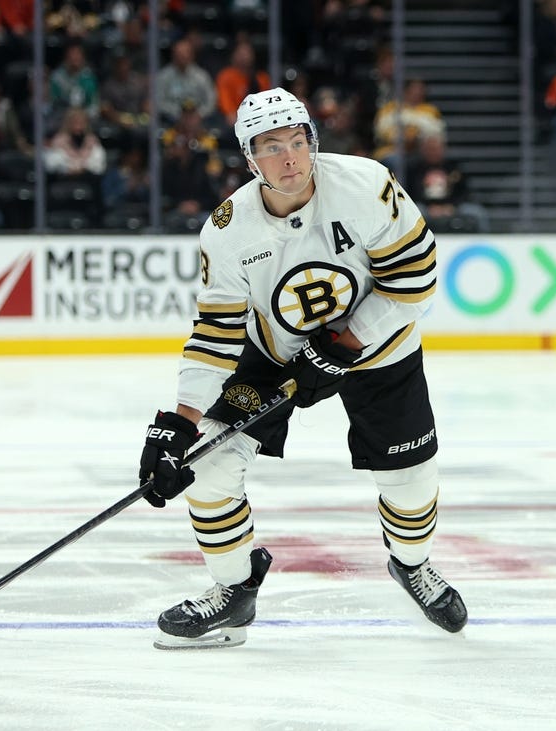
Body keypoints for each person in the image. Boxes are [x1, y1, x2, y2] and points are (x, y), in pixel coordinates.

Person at [137, 88, 467, 650]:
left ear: (313, 141)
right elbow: (216, 333)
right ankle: (234, 590)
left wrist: (343, 346)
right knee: (208, 466)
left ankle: (411, 565)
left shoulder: (365, 186)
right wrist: (182, 422)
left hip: (380, 348)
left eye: (298, 141)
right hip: (274, 356)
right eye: (271, 147)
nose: (289, 158)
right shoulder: (226, 229)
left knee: (412, 481)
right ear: (248, 158)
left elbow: (415, 283)